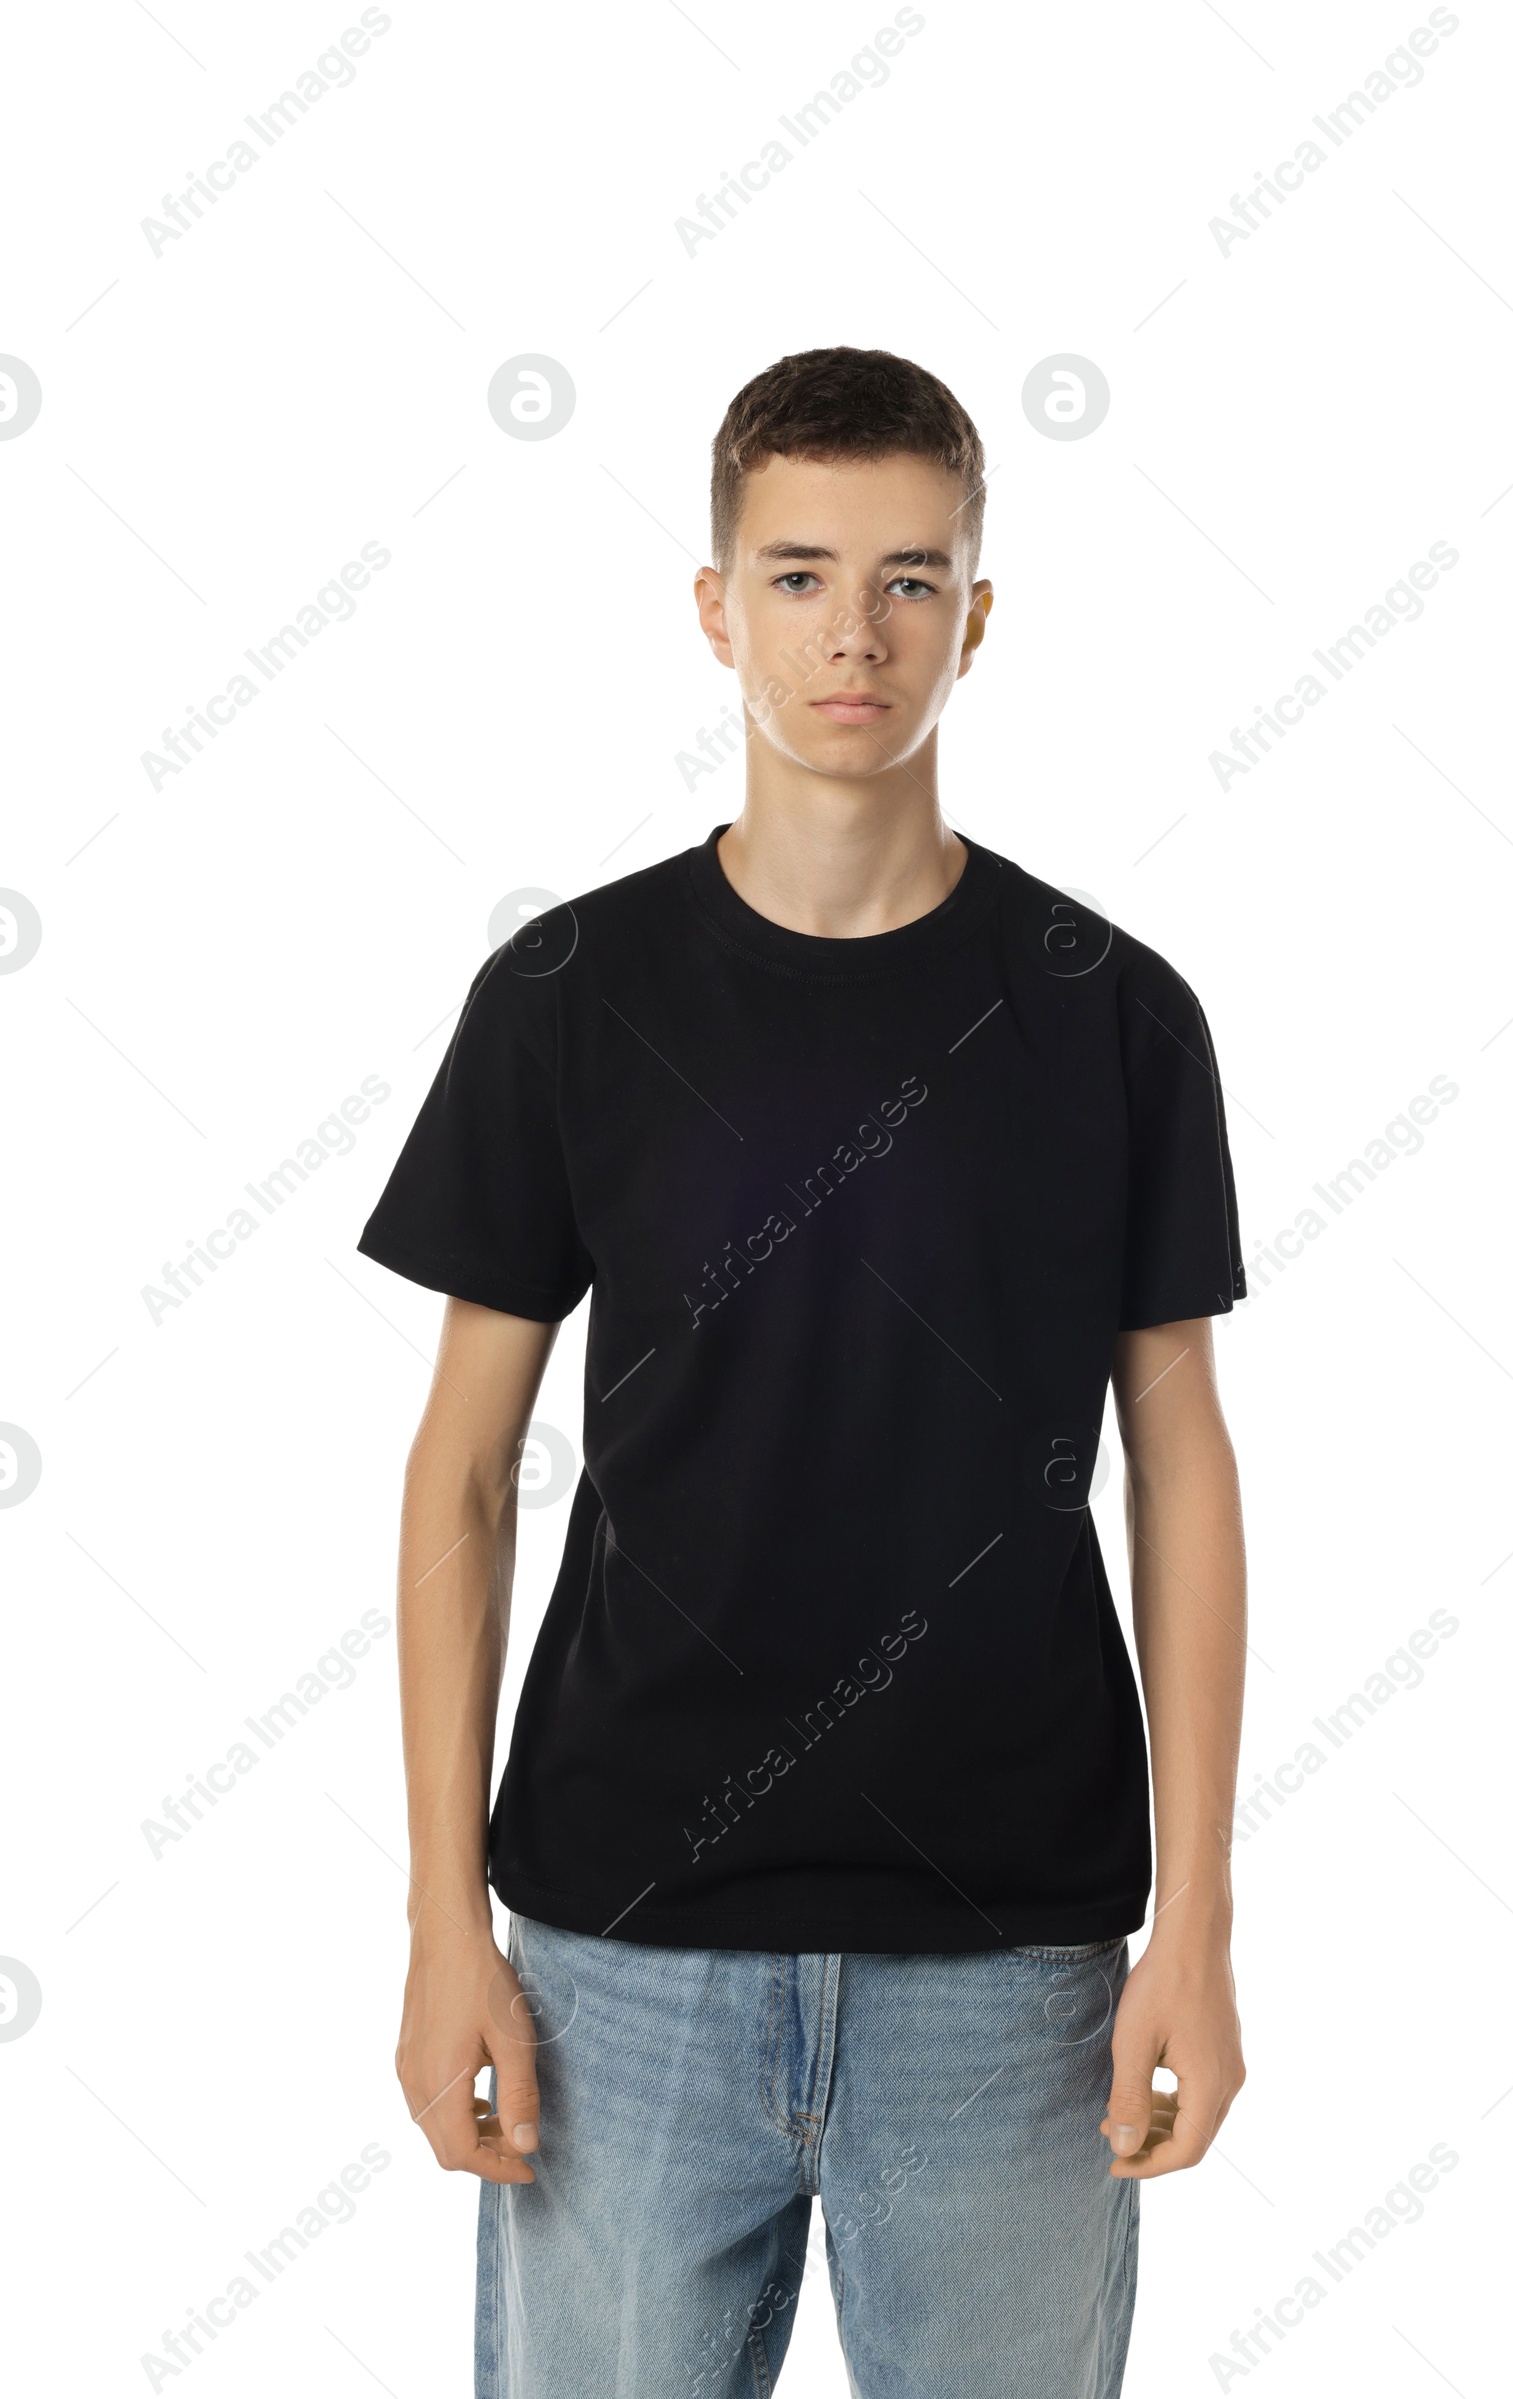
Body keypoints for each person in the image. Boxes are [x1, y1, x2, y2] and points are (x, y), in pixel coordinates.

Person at [357, 345, 1249, 2399]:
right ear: (711, 602)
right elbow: (460, 1475)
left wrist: (1191, 1916)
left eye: (910, 579)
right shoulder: (568, 999)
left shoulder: (1109, 1018)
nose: (853, 633)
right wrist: (437, 1923)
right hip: (617, 1953)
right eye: (795, 575)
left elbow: (1179, 1463)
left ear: (975, 616)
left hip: (1010, 1969)